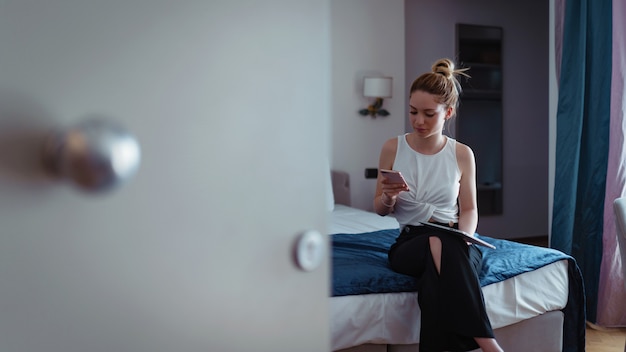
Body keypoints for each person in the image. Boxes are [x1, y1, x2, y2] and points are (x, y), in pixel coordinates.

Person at [373, 58, 503, 352]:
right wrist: (389, 197)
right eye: (413, 112)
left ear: (448, 112)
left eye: (429, 114)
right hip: (409, 244)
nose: (419, 121)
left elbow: (469, 209)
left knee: (435, 282)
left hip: (458, 240)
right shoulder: (392, 148)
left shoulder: (462, 153)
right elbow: (379, 209)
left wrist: (467, 237)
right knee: (435, 239)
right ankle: (488, 343)